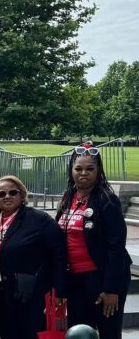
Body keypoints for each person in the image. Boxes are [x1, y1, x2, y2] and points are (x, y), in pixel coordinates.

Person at [56, 145, 131, 339]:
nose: (83, 174)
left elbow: (116, 246)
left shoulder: (107, 200)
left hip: (102, 278)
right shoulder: (68, 198)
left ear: (98, 171)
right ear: (71, 170)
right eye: (78, 169)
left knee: (108, 332)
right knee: (79, 332)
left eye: (90, 169)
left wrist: (111, 289)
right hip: (75, 279)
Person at [0, 175, 66, 339]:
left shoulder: (39, 220)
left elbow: (59, 254)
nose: (7, 197)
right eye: (1, 194)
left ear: (22, 195)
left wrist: (59, 290)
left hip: (31, 294)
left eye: (13, 192)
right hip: (0, 293)